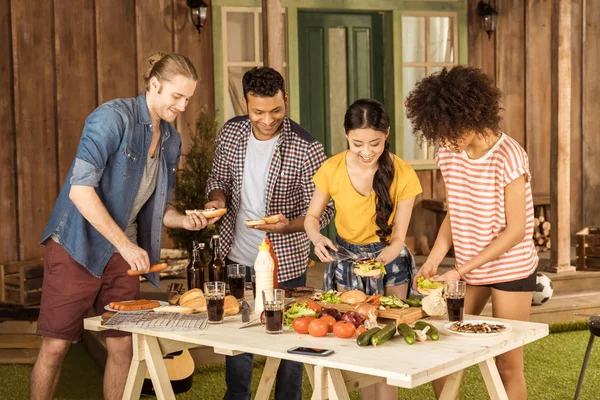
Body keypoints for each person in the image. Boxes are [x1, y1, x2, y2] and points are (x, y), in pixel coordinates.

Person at [30, 53, 213, 400]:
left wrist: (184, 220)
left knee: (122, 348)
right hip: (76, 246)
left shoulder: (171, 140)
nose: (183, 106)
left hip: (121, 257)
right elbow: (80, 191)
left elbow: (159, 207)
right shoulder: (111, 118)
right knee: (55, 346)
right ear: (154, 85)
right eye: (177, 96)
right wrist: (127, 246)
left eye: (188, 98)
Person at [405, 65, 539, 399]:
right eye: (441, 133)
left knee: (507, 364)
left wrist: (460, 271)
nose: (447, 140)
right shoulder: (449, 154)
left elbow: (516, 231)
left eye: (452, 130)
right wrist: (434, 260)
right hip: (468, 269)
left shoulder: (509, 156)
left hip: (511, 267)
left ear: (473, 114)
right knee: (444, 354)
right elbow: (455, 212)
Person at [205, 67, 334, 400]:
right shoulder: (231, 133)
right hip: (237, 256)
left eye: (276, 110)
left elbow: (325, 210)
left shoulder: (307, 147)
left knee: (288, 345)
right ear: (245, 103)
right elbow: (217, 180)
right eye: (258, 111)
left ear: (285, 99)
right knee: (238, 341)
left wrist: (287, 224)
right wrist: (216, 202)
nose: (267, 119)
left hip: (286, 263)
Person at [304, 98, 422, 400]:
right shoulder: (331, 168)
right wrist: (317, 238)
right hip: (344, 260)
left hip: (390, 261)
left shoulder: (403, 173)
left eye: (376, 143)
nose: (367, 152)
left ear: (387, 135)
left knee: (386, 342)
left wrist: (385, 256)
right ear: (346, 135)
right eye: (358, 144)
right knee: (350, 342)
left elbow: (398, 239)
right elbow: (312, 218)